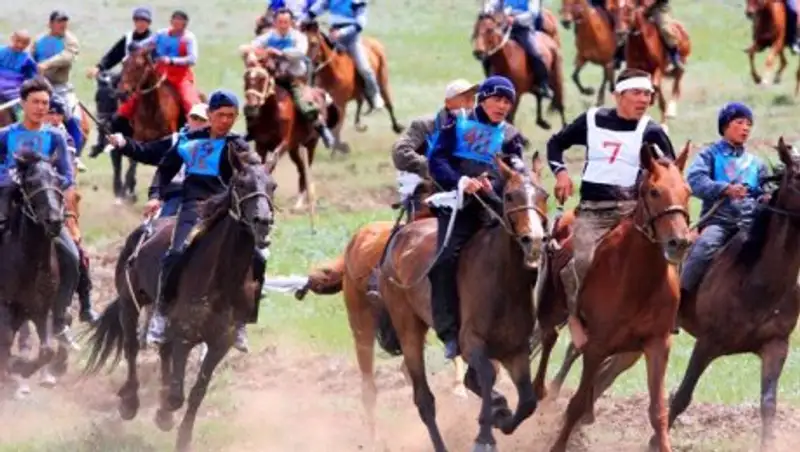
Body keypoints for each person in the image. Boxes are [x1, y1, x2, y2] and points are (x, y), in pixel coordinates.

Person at [546, 68, 675, 349]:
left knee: (674, 249)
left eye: (649, 94)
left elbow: (669, 173)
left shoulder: (652, 131)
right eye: (637, 93)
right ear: (618, 95)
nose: (644, 99)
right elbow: (555, 143)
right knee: (580, 261)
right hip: (593, 211)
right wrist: (561, 174)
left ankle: (669, 313)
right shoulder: (592, 119)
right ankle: (573, 317)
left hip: (633, 211)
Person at [144, 90, 264, 353]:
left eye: (231, 116)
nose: (226, 121)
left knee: (258, 258)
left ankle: (243, 320)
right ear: (209, 115)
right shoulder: (189, 142)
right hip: (193, 207)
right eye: (221, 115)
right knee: (176, 253)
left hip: (227, 211)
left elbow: (253, 169)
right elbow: (165, 169)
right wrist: (156, 196)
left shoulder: (238, 145)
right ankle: (162, 314)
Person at [427, 75, 529, 359]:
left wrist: (496, 185)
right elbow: (437, 161)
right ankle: (449, 333)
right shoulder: (455, 123)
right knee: (444, 260)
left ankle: (528, 325)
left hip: (496, 207)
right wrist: (462, 180)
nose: (503, 106)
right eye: (497, 99)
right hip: (460, 207)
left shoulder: (510, 136)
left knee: (532, 252)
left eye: (508, 101)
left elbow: (517, 172)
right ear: (483, 99)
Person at [362, 79, 478, 304]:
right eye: (464, 98)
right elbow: (400, 152)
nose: (469, 104)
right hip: (428, 188)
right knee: (414, 231)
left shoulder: (476, 129)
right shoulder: (425, 125)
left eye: (472, 99)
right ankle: (380, 276)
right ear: (448, 102)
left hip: (466, 189)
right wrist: (431, 167)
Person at [0, 77, 81, 347]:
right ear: (23, 104)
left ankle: (60, 317)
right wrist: (10, 178)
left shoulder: (55, 136)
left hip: (45, 207)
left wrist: (47, 185)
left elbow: (67, 176)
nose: (40, 107)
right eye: (35, 102)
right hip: (9, 200)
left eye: (45, 103)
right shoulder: (5, 135)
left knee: (72, 256)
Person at [678, 103, 766, 332]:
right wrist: (724, 189)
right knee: (704, 247)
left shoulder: (757, 163)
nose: (745, 128)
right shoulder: (709, 155)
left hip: (751, 224)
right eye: (739, 123)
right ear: (725, 126)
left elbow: (768, 189)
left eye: (749, 124)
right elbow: (694, 181)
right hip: (719, 222)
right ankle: (677, 303)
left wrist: (766, 197)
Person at [242, 7, 335, 147]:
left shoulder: (298, 37)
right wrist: (252, 55)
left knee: (303, 104)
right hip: (272, 79)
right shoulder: (269, 36)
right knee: (253, 99)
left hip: (292, 78)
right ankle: (251, 131)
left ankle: (321, 128)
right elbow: (250, 47)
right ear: (275, 23)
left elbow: (300, 52)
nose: (283, 25)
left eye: (286, 22)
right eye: (280, 22)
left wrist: (278, 53)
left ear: (291, 23)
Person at [43, 96, 99, 324]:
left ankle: (85, 303)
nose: (54, 117)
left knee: (77, 251)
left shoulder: (63, 138)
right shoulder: (28, 134)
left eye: (58, 114)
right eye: (51, 113)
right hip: (29, 195)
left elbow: (68, 174)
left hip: (57, 197)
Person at [106, 103, 209, 218]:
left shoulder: (217, 145)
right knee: (156, 228)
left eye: (202, 120)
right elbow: (146, 151)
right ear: (188, 119)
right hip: (175, 195)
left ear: (209, 123)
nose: (197, 122)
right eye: (194, 118)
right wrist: (124, 143)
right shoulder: (174, 141)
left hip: (206, 197)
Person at [115, 10, 201, 136]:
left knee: (190, 102)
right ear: (171, 22)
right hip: (160, 74)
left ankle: (194, 132)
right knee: (132, 100)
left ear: (185, 24)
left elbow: (192, 59)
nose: (177, 24)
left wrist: (171, 60)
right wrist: (136, 46)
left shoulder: (188, 38)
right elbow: (147, 43)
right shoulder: (161, 34)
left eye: (180, 21)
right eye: (175, 20)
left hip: (180, 77)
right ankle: (121, 128)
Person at [85, 7, 154, 155]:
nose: (141, 24)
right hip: (127, 75)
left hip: (145, 78)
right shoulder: (128, 37)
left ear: (149, 23)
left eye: (144, 21)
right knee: (105, 89)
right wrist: (99, 67)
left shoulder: (154, 40)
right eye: (138, 20)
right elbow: (113, 55)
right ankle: (103, 130)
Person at [303, 0, 386, 111]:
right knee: (317, 61)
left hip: (351, 39)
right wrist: (304, 19)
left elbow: (360, 23)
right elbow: (318, 8)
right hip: (334, 36)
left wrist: (342, 32)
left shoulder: (358, 2)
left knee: (364, 68)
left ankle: (375, 94)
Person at [31, 11, 85, 165]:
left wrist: (47, 64)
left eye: (64, 22)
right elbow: (31, 56)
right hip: (39, 85)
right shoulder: (39, 40)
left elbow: (67, 56)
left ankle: (75, 155)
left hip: (61, 87)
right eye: (59, 21)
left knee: (73, 116)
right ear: (50, 23)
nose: (62, 25)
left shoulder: (70, 40)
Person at [485, 0, 553, 98]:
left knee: (535, 54)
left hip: (523, 29)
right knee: (488, 54)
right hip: (504, 27)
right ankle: (489, 81)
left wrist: (516, 19)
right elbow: (494, 3)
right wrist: (489, 10)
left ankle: (542, 84)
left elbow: (533, 13)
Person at [0, 31, 37, 119]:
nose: (20, 45)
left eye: (24, 43)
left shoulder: (28, 60)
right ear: (12, 39)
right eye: (17, 41)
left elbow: (31, 79)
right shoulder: (1, 51)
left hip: (13, 93)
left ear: (28, 45)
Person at [643, 0, 682, 71]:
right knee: (623, 27)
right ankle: (619, 55)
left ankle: (674, 56)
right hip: (638, 8)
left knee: (665, 29)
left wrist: (649, 6)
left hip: (659, 9)